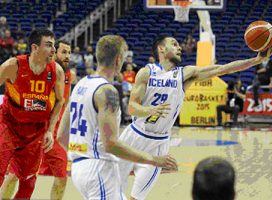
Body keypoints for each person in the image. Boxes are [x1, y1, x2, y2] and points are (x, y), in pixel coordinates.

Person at [118, 35, 272, 200]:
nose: (179, 48)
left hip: (159, 143)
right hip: (134, 136)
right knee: (112, 189)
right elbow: (132, 107)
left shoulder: (185, 74)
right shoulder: (146, 72)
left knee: (136, 198)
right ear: (161, 49)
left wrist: (256, 60)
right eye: (174, 44)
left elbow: (223, 69)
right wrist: (150, 110)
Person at [56, 35, 177, 200]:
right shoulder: (107, 91)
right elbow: (111, 145)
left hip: (79, 168)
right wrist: (153, 160)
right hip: (99, 168)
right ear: (119, 58)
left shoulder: (81, 84)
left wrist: (81, 156)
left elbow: (61, 135)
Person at [0, 40, 76, 200]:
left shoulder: (69, 75)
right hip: (33, 133)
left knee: (62, 177)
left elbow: (64, 104)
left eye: (69, 53)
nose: (67, 56)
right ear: (54, 54)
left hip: (53, 137)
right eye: (64, 52)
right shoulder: (42, 73)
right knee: (16, 175)